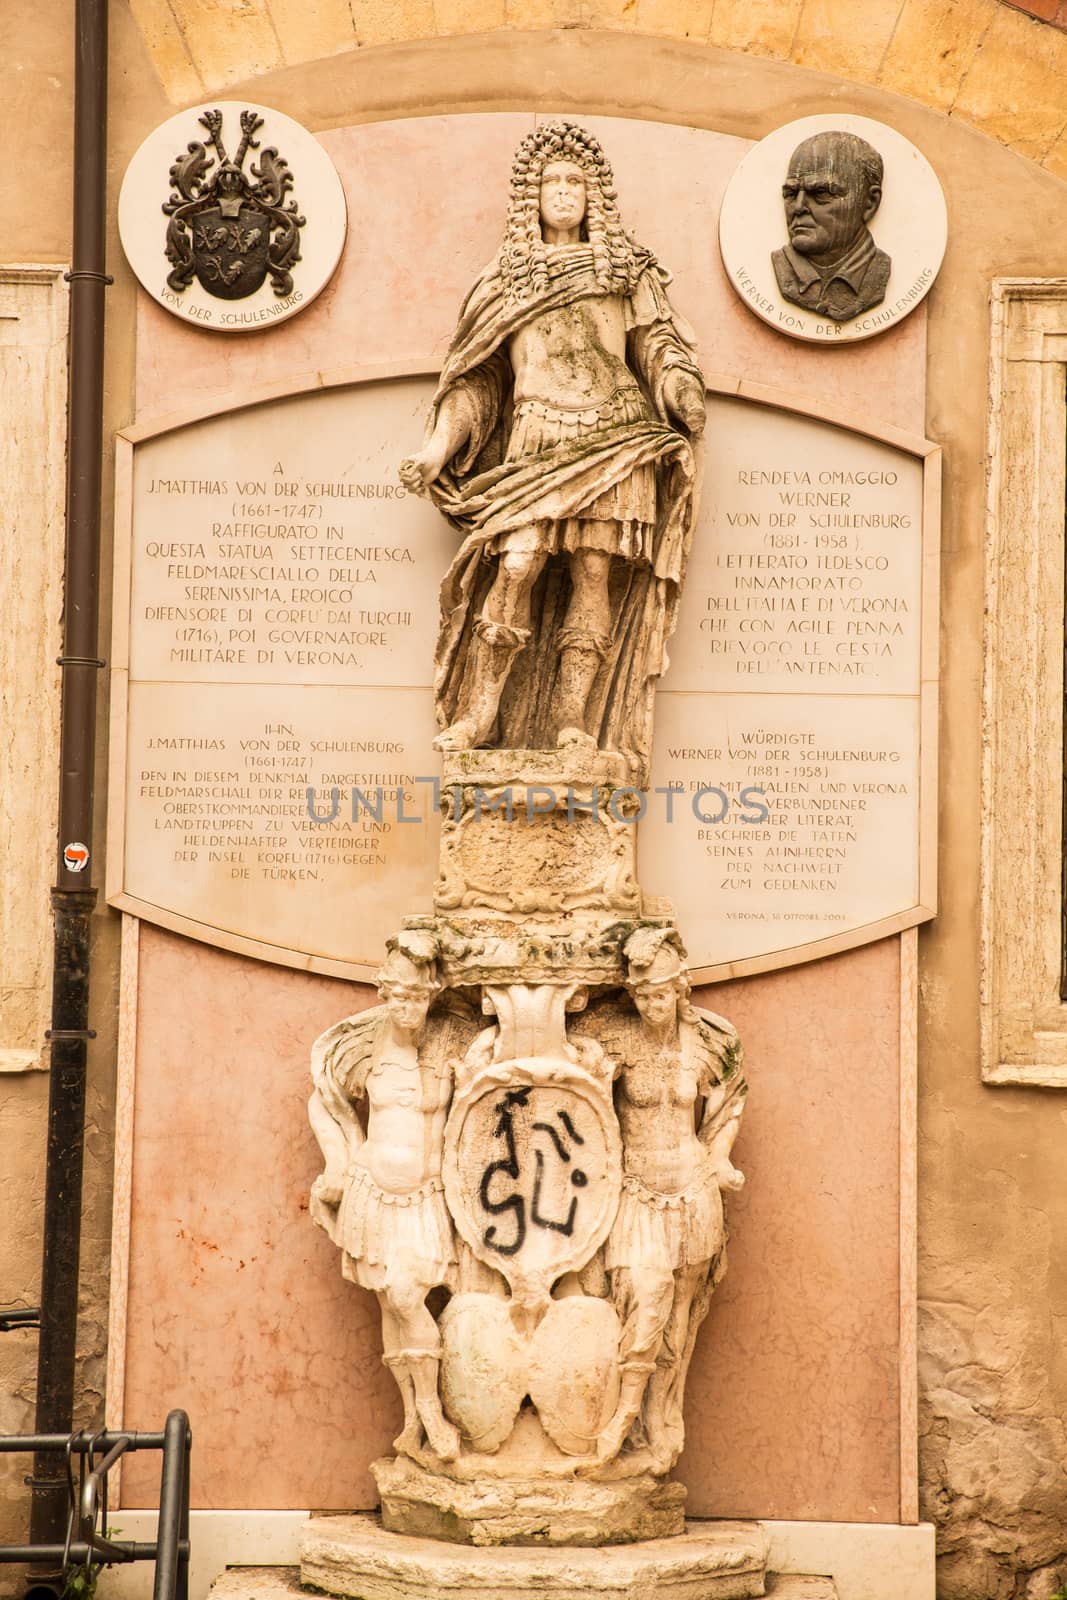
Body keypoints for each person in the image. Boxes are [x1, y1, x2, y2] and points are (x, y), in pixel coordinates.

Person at [399, 120, 706, 771]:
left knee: (593, 574)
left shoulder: (625, 271)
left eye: (576, 181)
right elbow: (475, 385)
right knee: (516, 565)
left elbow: (656, 345)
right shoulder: (505, 281)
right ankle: (479, 715)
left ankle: (572, 723)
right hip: (536, 441)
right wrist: (434, 450)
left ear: (595, 195)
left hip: (614, 436)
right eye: (551, 181)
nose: (564, 192)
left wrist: (680, 388)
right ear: (528, 197)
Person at [308, 932, 470, 1460]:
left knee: (406, 1298)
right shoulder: (361, 1046)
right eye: (399, 997)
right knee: (392, 1305)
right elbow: (324, 1101)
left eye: (418, 997)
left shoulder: (450, 1042)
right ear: (385, 994)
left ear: (433, 993)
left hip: (427, 1197)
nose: (409, 1008)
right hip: (374, 1193)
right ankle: (416, 1421)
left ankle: (431, 1413)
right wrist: (338, 1159)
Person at [595, 927, 746, 1469]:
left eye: (661, 994)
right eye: (642, 996)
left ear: (680, 989)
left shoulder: (711, 1041)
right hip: (636, 1193)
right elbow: (588, 1100)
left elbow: (728, 1105)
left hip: (692, 1190)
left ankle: (661, 1419)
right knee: (645, 1293)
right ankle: (621, 1416)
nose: (652, 1005)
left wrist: (720, 1156)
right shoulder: (616, 1038)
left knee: (678, 1316)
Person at [771, 130, 891, 323]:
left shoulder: (878, 269)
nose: (799, 207)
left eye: (820, 192)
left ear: (869, 202)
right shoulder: (781, 265)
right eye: (791, 193)